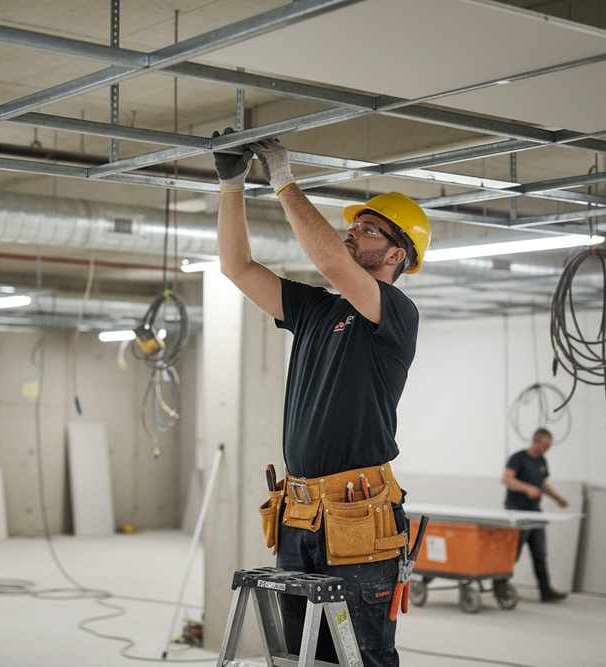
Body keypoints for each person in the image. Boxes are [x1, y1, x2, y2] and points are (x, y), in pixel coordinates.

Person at [212, 128, 431, 667]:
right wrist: (231, 186)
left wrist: (284, 181)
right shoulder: (315, 310)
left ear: (396, 253)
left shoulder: (395, 313)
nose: (352, 232)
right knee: (302, 656)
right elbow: (236, 267)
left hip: (359, 516)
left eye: (368, 229)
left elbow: (333, 262)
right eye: (353, 225)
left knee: (363, 656)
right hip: (301, 513)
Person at [501, 427, 569, 602]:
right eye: (545, 446)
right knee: (514, 552)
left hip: (534, 511)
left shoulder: (541, 460)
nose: (547, 449)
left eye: (549, 447)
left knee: (539, 552)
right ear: (535, 441)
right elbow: (506, 479)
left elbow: (543, 483)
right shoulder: (518, 458)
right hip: (517, 510)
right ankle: (500, 586)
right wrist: (526, 488)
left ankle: (545, 590)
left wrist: (557, 498)